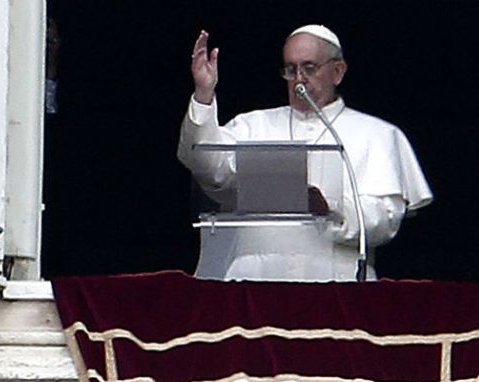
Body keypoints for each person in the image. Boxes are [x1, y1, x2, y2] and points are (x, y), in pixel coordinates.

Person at [177, 25, 433, 282]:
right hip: (256, 281)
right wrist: (203, 94)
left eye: (309, 68)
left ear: (338, 71)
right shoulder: (254, 126)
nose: (299, 79)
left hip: (337, 281)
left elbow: (386, 219)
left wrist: (331, 207)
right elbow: (206, 165)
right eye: (291, 69)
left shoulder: (376, 134)